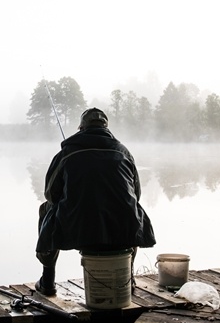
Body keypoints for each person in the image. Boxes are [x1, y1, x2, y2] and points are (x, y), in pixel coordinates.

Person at [35, 107, 155, 296]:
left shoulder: (66, 152)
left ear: (81, 128)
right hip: (121, 229)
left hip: (78, 227)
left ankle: (47, 281)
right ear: (106, 128)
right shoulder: (123, 151)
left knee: (46, 209)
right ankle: (127, 278)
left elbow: (51, 194)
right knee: (132, 211)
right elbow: (136, 194)